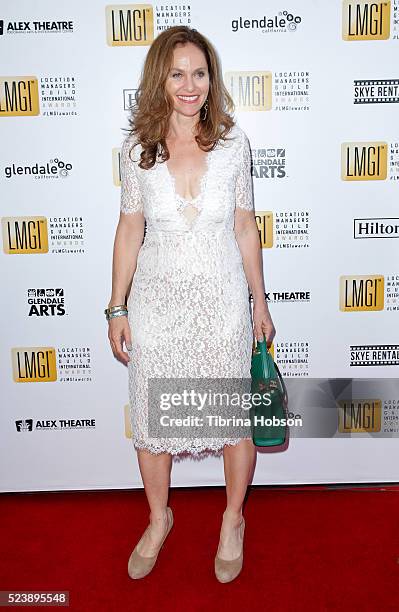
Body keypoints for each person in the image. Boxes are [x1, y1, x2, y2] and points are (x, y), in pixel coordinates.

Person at [106, 25, 276, 583]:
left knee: (233, 423)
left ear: (211, 79)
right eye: (177, 73)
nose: (189, 84)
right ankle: (159, 517)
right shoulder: (137, 152)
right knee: (153, 421)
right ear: (160, 78)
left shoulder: (234, 145)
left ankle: (233, 519)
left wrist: (259, 301)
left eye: (199, 73)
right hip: (156, 307)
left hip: (222, 304)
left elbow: (247, 228)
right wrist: (117, 306)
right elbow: (130, 228)